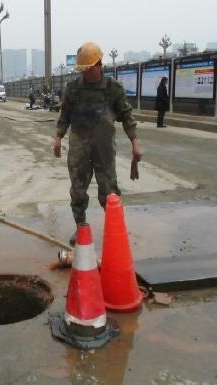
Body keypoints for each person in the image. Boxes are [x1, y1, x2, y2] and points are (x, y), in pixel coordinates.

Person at [53, 42, 142, 245]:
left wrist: (135, 142)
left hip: (104, 146)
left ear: (99, 65)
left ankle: (114, 231)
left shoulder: (113, 89)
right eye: (83, 70)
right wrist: (58, 138)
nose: (86, 74)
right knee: (77, 190)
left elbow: (127, 116)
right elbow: (64, 114)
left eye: (89, 69)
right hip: (79, 145)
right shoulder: (73, 88)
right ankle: (81, 228)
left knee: (109, 191)